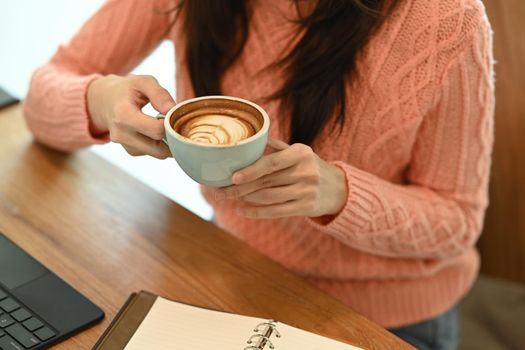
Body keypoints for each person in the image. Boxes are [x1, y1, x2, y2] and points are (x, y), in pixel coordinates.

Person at [23, 0, 495, 348]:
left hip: (386, 315)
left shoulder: (445, 18)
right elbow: (41, 101)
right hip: (236, 269)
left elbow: (456, 222)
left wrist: (341, 195)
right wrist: (101, 101)